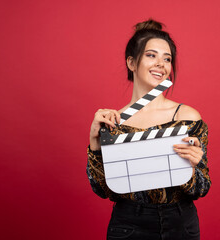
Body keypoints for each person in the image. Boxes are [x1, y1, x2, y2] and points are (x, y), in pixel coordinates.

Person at [86, 19, 211, 240]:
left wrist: (192, 168)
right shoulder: (113, 122)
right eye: (151, 55)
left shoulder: (188, 118)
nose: (161, 64)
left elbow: (201, 188)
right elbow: (104, 191)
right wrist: (95, 146)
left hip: (181, 222)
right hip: (129, 223)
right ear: (132, 62)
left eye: (167, 59)